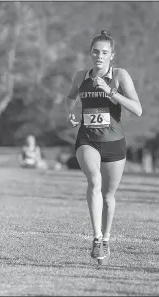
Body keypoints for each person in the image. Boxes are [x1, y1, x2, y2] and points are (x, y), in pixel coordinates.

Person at [64, 30, 142, 262]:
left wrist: (111, 92)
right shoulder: (81, 76)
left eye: (104, 52)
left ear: (112, 55)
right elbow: (70, 98)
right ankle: (96, 237)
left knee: (108, 196)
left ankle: (106, 239)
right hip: (87, 139)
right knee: (94, 180)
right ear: (90, 53)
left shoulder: (119, 75)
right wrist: (72, 113)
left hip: (114, 143)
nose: (99, 56)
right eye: (95, 51)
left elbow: (138, 110)